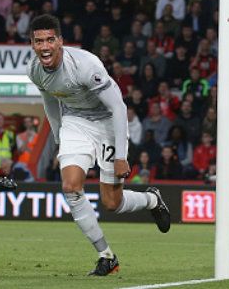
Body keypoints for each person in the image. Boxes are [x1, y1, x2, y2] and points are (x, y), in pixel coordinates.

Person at [26, 14, 171, 276]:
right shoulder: (34, 71)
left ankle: (152, 199)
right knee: (70, 186)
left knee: (111, 202)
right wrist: (60, 139)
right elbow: (50, 101)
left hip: (107, 122)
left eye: (50, 40)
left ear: (60, 41)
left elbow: (117, 106)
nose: (44, 47)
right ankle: (106, 256)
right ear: (32, 44)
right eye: (39, 41)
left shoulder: (85, 65)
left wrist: (121, 155)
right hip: (75, 123)